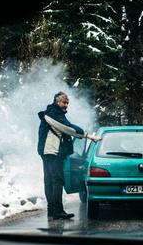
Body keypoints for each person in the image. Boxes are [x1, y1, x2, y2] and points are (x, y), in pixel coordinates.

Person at [37, 92, 100, 220]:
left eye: (67, 103)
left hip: (47, 151)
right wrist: (88, 135)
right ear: (57, 102)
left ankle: (52, 210)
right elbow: (68, 128)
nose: (66, 105)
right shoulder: (54, 113)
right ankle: (58, 211)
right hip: (52, 151)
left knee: (49, 181)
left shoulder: (51, 113)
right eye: (64, 102)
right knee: (57, 180)